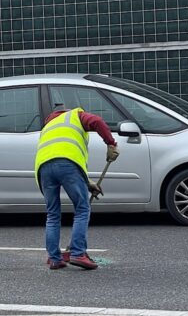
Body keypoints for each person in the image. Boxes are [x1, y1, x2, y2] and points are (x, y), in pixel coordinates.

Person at [34, 105, 119, 270]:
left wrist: (87, 183)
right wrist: (111, 143)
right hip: (67, 165)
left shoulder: (48, 126)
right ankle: (78, 253)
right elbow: (97, 121)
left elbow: (57, 154)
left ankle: (54, 258)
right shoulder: (75, 116)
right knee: (82, 208)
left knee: (52, 214)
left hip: (43, 169)